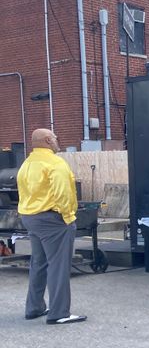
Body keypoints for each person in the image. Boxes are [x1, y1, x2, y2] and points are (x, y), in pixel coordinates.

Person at [17, 129, 86, 324]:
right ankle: (59, 313)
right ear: (48, 140)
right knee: (58, 265)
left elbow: (23, 192)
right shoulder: (55, 163)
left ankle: (34, 307)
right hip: (52, 220)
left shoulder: (27, 164)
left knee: (39, 263)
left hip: (30, 217)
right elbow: (63, 194)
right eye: (55, 137)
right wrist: (68, 217)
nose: (57, 140)